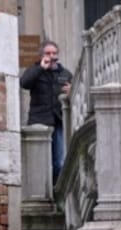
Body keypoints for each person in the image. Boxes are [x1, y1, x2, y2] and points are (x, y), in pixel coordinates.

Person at [20, 40, 73, 183]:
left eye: (54, 53)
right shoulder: (35, 70)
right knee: (39, 162)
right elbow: (24, 83)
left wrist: (72, 92)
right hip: (39, 121)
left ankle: (56, 191)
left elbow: (77, 94)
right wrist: (40, 69)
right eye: (48, 53)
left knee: (59, 162)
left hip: (58, 122)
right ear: (41, 55)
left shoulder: (65, 73)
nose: (51, 56)